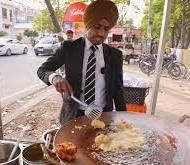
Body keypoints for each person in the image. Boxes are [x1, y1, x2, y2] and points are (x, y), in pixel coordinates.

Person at [37, 0, 125, 125]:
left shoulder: (115, 55)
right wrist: (55, 78)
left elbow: (118, 90)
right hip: (73, 114)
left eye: (106, 29)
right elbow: (42, 70)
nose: (101, 33)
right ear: (87, 24)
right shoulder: (69, 48)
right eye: (97, 26)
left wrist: (124, 119)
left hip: (103, 115)